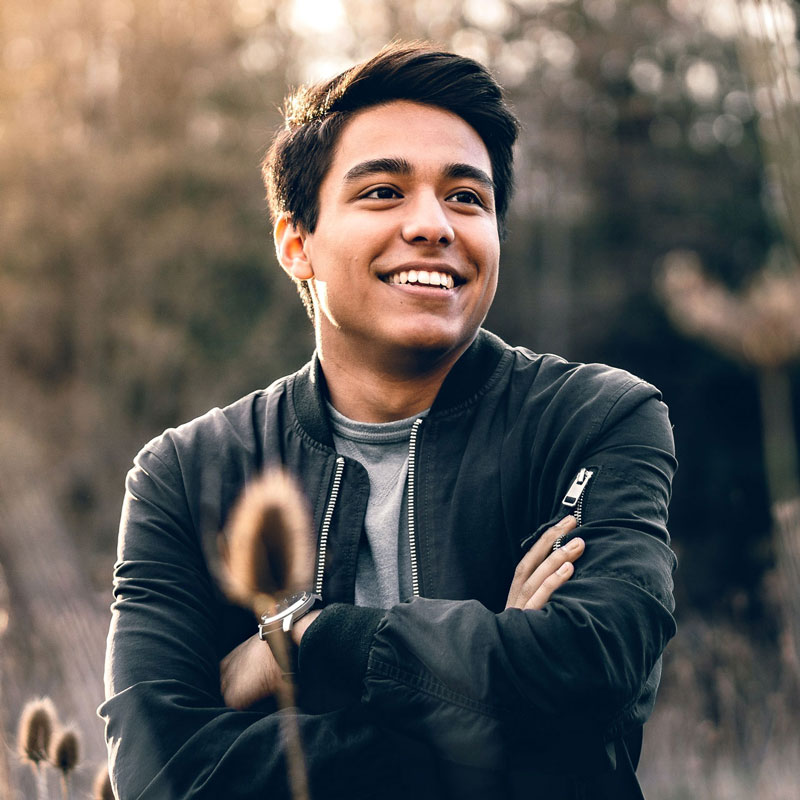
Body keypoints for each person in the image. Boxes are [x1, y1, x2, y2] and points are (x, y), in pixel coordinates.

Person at [100, 42, 677, 800]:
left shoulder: (594, 419)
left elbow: (596, 673)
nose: (434, 224)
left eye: (467, 198)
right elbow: (164, 772)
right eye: (382, 192)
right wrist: (491, 687)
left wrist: (308, 642)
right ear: (296, 244)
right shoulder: (186, 473)